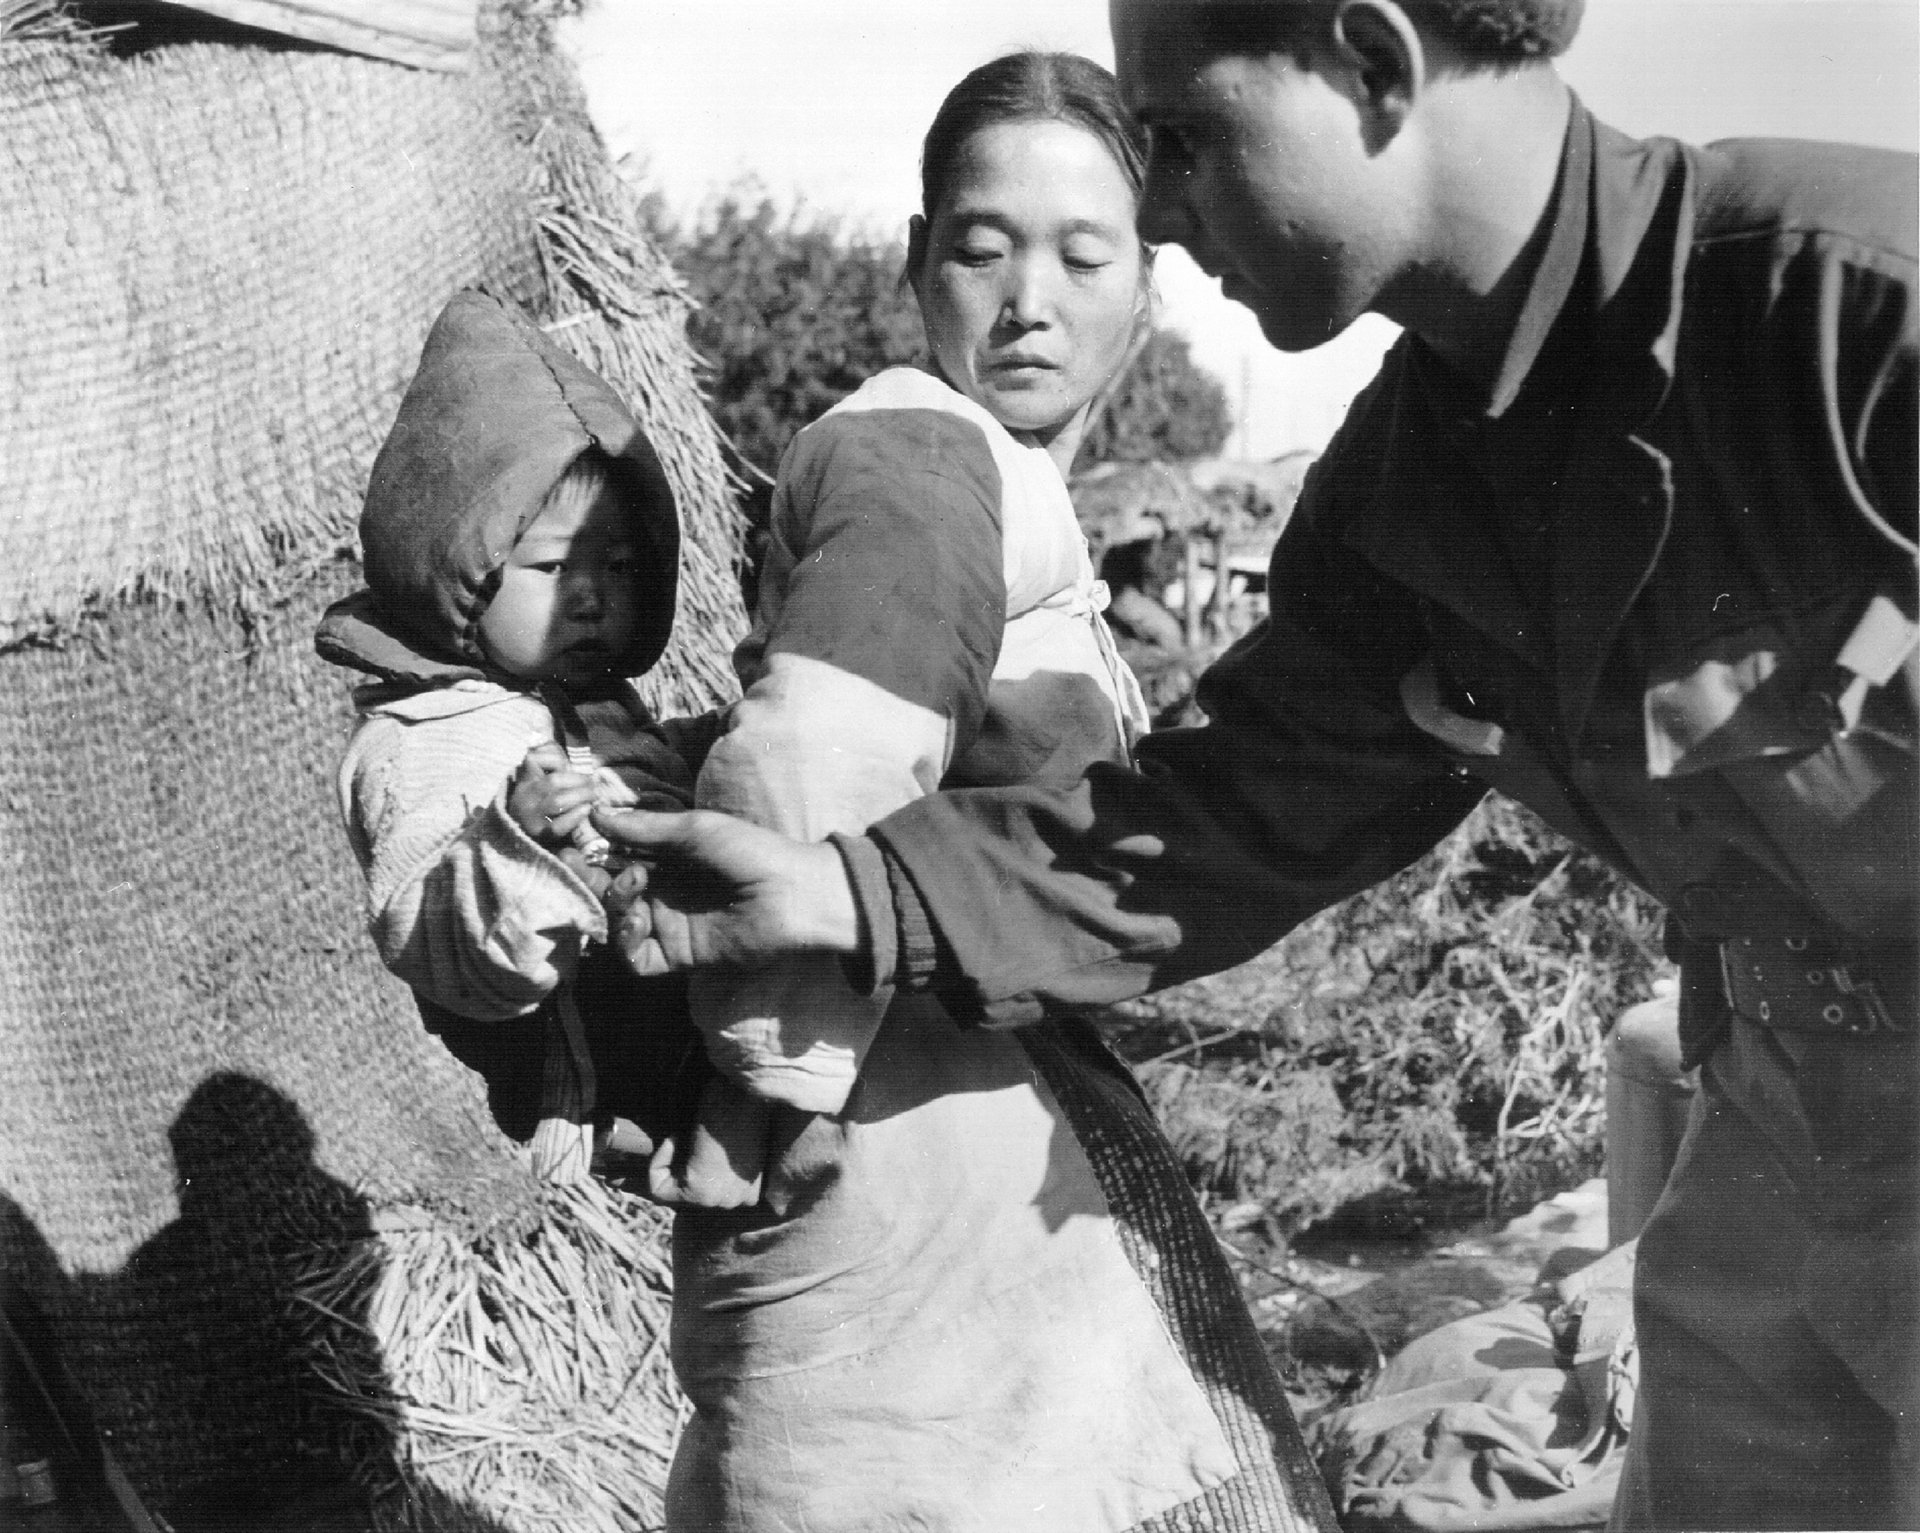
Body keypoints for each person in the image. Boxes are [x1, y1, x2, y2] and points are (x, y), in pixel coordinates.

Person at [597, 5, 1919, 1530]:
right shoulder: (1405, 494)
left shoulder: (1852, 316)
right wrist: (849, 892)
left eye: (1180, 136)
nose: (1153, 206)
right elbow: (1219, 823)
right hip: (1767, 1125)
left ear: (1371, 56)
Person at [653, 52, 1334, 1533]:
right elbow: (810, 765)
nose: (1031, 297)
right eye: (983, 246)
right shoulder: (925, 455)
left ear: (1142, 289)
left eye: (1084, 254)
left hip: (954, 1115)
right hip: (898, 1145)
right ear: (917, 263)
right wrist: (780, 1078)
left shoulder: (1006, 482)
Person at [315, 288, 714, 1186]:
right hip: (581, 1132)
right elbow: (436, 939)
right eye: (550, 565)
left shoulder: (597, 706)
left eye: (616, 565)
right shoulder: (426, 741)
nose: (590, 594)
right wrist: (517, 841)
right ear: (461, 573)